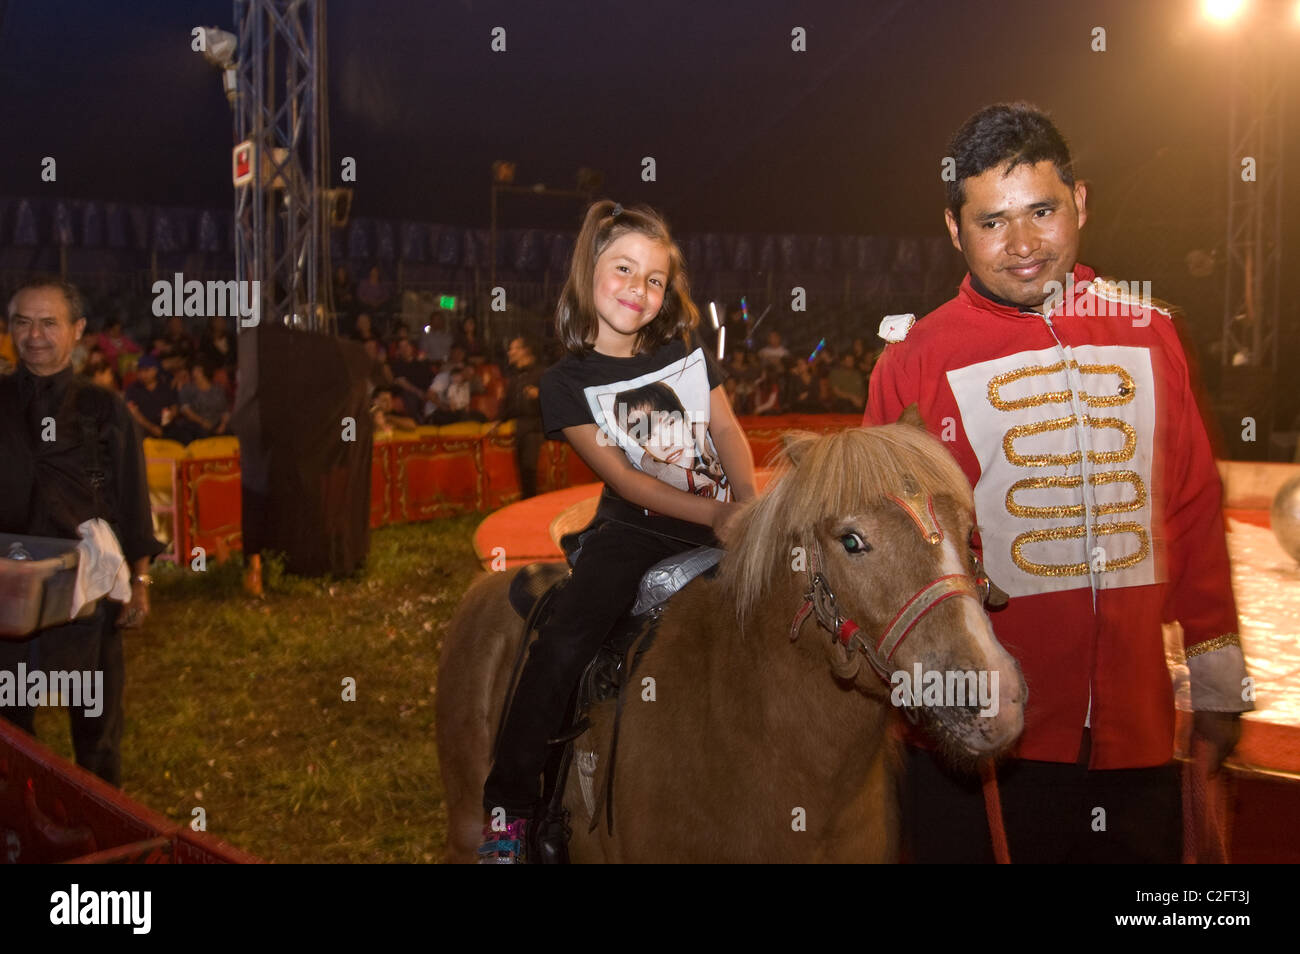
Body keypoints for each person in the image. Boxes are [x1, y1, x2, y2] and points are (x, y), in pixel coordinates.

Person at [864, 103, 1251, 863]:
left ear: (1080, 202)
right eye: (991, 222)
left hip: (1136, 742)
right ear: (954, 230)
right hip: (973, 751)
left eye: (1041, 210)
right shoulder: (911, 362)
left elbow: (1194, 510)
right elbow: (886, 563)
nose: (1022, 245)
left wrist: (1216, 679)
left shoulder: (1151, 331)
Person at [479, 200, 757, 862]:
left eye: (654, 279)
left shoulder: (684, 352)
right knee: (565, 641)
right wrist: (719, 517)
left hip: (725, 516)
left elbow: (725, 430)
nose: (638, 289)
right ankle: (510, 811)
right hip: (633, 529)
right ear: (589, 275)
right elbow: (628, 481)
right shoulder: (566, 384)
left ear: (667, 295)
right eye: (623, 269)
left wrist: (747, 505)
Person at [0, 276, 162, 785]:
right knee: (10, 733)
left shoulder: (103, 407)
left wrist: (140, 582)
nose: (35, 335)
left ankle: (100, 840)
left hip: (88, 596)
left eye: (49, 322)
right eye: (22, 322)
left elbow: (133, 502)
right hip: (8, 595)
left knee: (95, 737)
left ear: (77, 330)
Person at [491, 336, 545, 498]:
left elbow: (558, 398)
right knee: (521, 467)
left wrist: (540, 395)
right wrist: (499, 421)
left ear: (525, 351)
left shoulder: (542, 373)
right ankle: (526, 501)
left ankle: (532, 501)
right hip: (520, 426)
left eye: (514, 348)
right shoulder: (515, 377)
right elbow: (509, 404)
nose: (510, 352)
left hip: (536, 425)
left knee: (529, 466)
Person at [124, 353, 181, 442]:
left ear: (155, 370)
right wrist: (151, 428)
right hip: (143, 431)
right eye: (140, 371)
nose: (142, 374)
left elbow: (174, 406)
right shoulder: (133, 389)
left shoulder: (165, 387)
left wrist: (171, 415)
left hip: (166, 429)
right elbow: (133, 412)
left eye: (146, 370)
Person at [176, 360, 231, 443]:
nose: (196, 372)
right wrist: (203, 422)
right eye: (195, 370)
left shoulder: (218, 390)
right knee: (198, 431)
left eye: (199, 370)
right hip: (198, 424)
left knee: (232, 429)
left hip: (218, 423)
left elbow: (225, 411)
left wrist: (223, 425)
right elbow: (186, 411)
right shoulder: (187, 389)